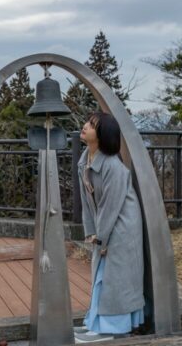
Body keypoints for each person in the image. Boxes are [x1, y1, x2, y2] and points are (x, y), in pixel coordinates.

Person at [74, 112, 145, 344]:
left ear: (103, 135)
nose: (85, 126)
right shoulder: (84, 160)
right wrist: (91, 232)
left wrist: (102, 238)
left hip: (122, 225)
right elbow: (87, 203)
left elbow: (111, 204)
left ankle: (112, 328)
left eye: (92, 125)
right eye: (87, 122)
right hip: (107, 223)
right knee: (101, 276)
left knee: (113, 278)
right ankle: (96, 323)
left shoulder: (113, 166)